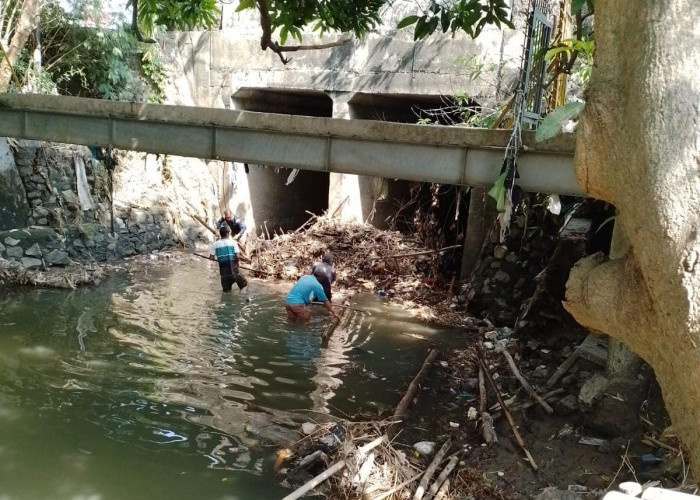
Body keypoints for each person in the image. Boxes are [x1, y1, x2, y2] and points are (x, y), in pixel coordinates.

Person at [209, 224, 248, 293]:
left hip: (224, 274)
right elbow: (237, 256)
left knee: (226, 292)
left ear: (221, 234)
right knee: (244, 285)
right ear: (228, 233)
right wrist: (237, 265)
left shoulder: (215, 244)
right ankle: (243, 298)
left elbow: (211, 258)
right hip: (234, 272)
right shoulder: (233, 243)